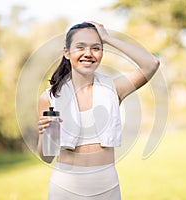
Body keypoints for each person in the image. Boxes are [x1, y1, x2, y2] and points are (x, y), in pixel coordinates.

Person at [37, 21, 159, 200]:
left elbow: (151, 64)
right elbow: (47, 157)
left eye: (96, 48)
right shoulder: (50, 97)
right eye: (80, 47)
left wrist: (108, 38)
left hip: (107, 187)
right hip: (64, 189)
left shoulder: (114, 88)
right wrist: (46, 136)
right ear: (67, 52)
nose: (88, 53)